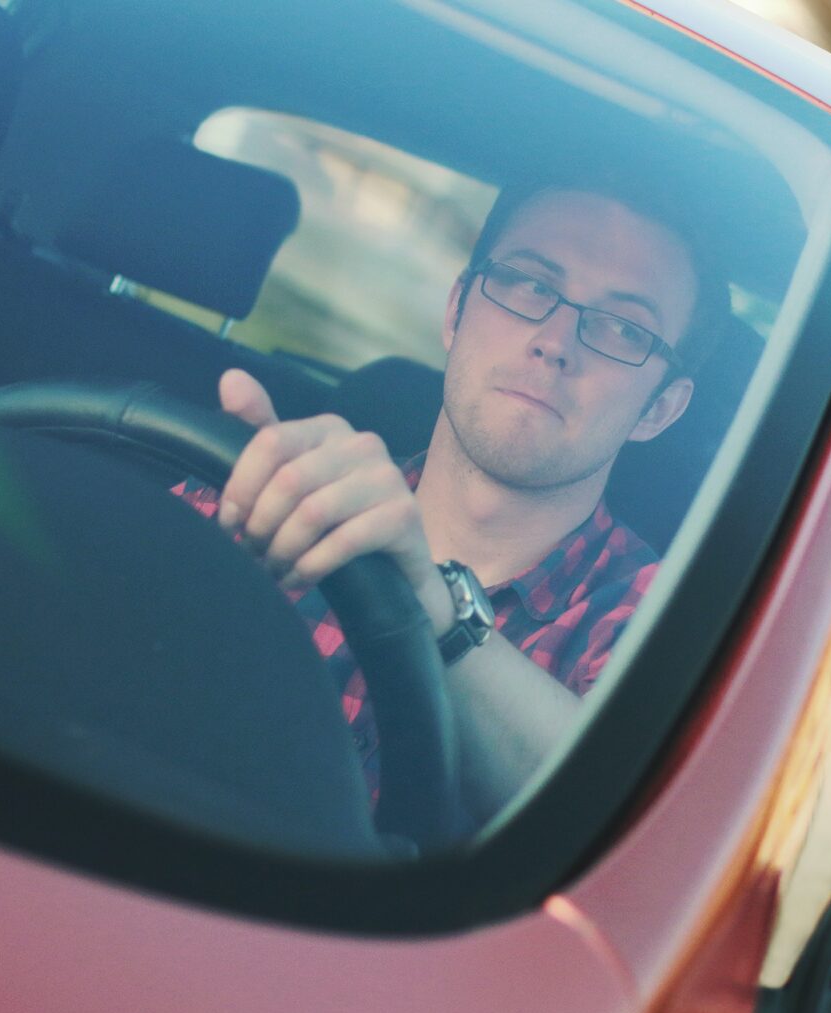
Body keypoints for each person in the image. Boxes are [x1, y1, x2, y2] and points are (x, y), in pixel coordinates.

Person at [180, 178, 724, 822]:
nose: (556, 341)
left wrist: (440, 612)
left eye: (625, 329)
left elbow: (624, 832)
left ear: (659, 408)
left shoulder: (673, 633)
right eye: (530, 285)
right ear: (456, 311)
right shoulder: (265, 492)